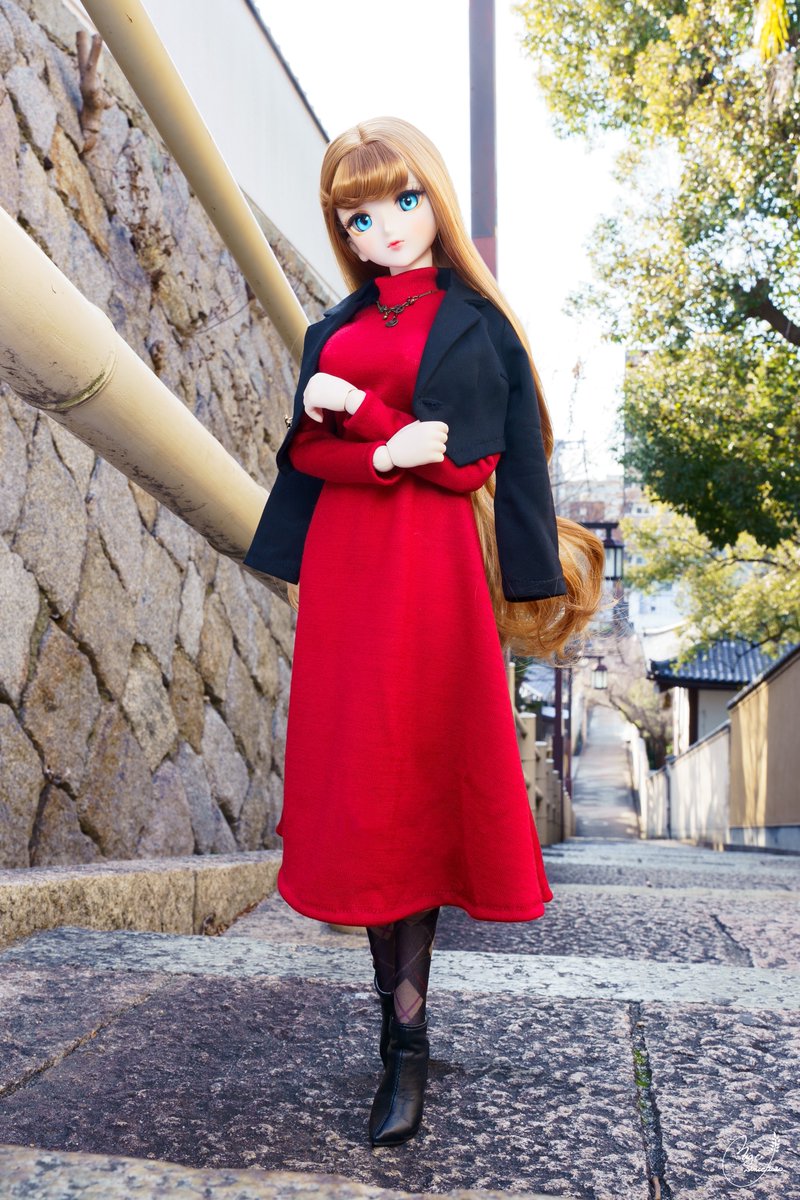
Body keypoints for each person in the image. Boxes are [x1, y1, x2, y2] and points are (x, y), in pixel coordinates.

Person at [243, 116, 603, 1147]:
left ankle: (408, 1040)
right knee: (363, 791)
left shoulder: (472, 325)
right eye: (358, 215)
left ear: (433, 200)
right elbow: (304, 458)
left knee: (417, 784)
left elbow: (464, 464)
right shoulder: (332, 327)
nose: (384, 227)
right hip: (348, 575)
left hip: (430, 575)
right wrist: (372, 450)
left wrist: (361, 417)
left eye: (402, 202)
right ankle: (395, 1034)